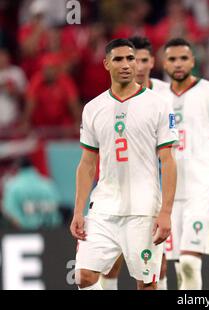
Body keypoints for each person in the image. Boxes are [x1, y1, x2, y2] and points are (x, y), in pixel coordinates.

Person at [70, 38, 178, 290]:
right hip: (104, 207)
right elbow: (87, 163)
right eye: (118, 59)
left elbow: (168, 161)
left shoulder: (159, 105)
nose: (127, 64)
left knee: (146, 284)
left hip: (143, 208)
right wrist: (78, 210)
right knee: (84, 276)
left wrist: (165, 212)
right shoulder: (93, 108)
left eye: (131, 58)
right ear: (106, 63)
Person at [161, 38, 209, 290]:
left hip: (200, 191)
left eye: (183, 58)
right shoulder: (156, 97)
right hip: (166, 195)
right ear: (164, 63)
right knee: (175, 267)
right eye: (172, 59)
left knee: (191, 262)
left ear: (193, 61)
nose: (178, 64)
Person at [99, 36, 170, 290]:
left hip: (154, 193)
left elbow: (171, 153)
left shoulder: (164, 98)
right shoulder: (107, 102)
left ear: (151, 62)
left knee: (156, 267)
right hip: (117, 193)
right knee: (112, 261)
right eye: (129, 59)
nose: (135, 66)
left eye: (139, 60)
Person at [3, 157, 61, 230]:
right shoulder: (48, 184)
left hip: (25, 235)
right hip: (52, 232)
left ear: (18, 168)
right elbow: (57, 209)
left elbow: (10, 211)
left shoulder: (12, 186)